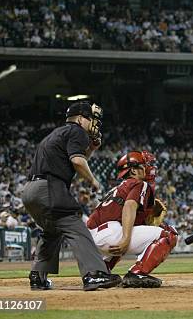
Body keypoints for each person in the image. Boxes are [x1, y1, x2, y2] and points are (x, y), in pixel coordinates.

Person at [22, 101, 122, 291]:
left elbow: (75, 157)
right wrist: (93, 181)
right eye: (90, 119)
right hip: (49, 188)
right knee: (75, 226)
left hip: (30, 191)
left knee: (52, 230)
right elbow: (77, 161)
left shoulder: (56, 133)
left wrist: (91, 149)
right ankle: (94, 274)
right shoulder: (77, 131)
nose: (94, 123)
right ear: (80, 118)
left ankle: (38, 275)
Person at [87, 150, 178, 288]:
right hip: (109, 234)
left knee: (125, 232)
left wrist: (146, 216)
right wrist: (125, 238)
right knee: (169, 233)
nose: (148, 168)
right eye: (144, 165)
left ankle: (101, 272)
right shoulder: (139, 183)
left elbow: (123, 217)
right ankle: (137, 273)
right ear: (134, 171)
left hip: (92, 239)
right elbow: (129, 207)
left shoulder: (118, 188)